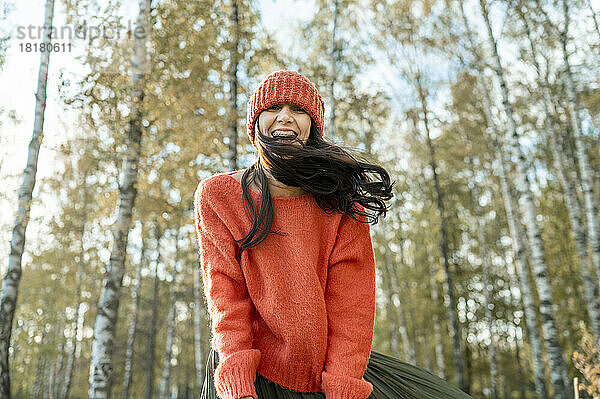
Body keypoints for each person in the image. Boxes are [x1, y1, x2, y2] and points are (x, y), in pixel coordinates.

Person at [194, 70, 473, 399]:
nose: (285, 117)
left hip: (333, 373)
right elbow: (226, 298)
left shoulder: (340, 200)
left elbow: (351, 305)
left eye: (298, 110)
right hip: (252, 371)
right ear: (255, 122)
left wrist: (342, 386)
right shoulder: (218, 196)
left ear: (313, 126)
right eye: (273, 108)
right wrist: (239, 385)